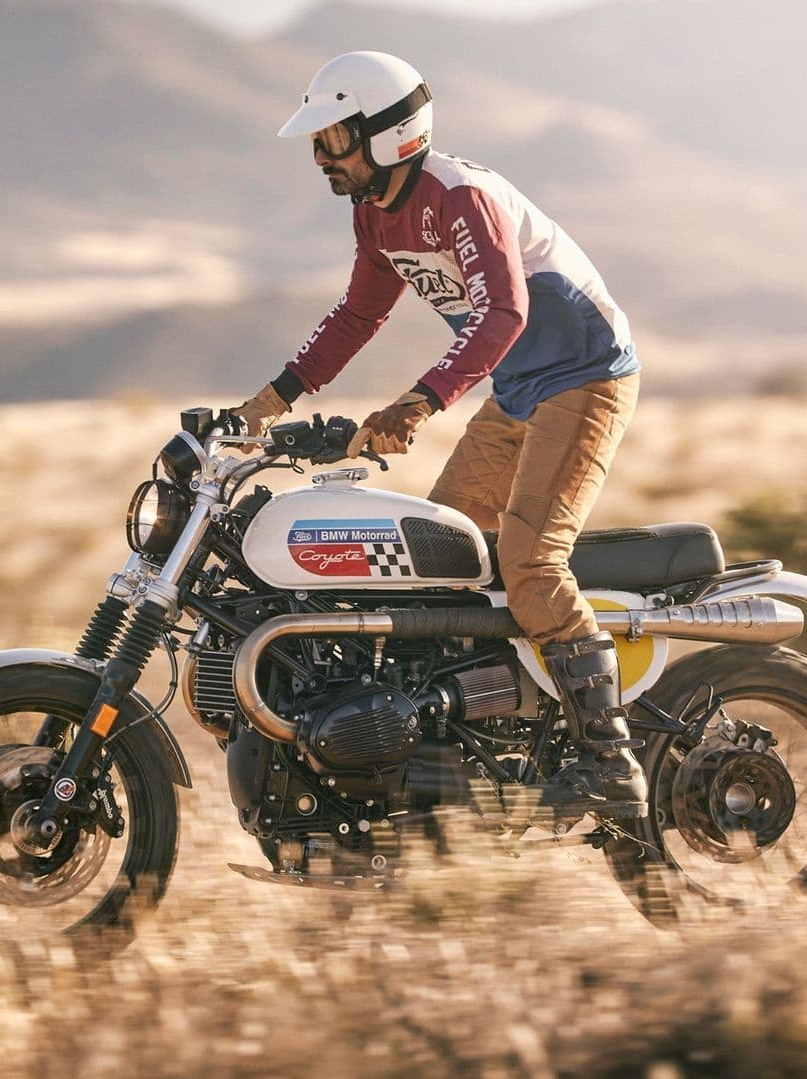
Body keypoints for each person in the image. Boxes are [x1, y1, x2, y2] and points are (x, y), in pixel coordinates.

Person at [234, 51, 646, 819]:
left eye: (333, 140)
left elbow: (503, 315)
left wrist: (419, 403)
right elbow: (358, 316)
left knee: (528, 562)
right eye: (317, 143)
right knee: (440, 565)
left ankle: (610, 760)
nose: (321, 158)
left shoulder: (459, 197)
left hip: (586, 377)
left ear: (387, 135)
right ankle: (466, 748)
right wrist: (266, 401)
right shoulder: (374, 212)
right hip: (522, 391)